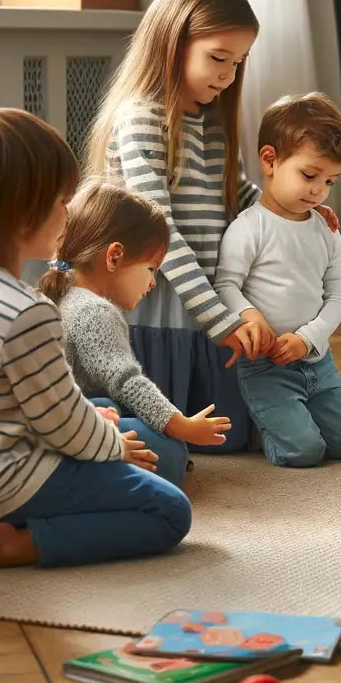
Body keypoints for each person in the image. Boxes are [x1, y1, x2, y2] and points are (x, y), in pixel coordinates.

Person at [0, 107, 191, 568]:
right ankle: (16, 544)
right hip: (4, 486)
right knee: (169, 510)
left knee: (105, 418)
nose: (68, 214)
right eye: (61, 203)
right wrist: (112, 444)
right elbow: (63, 426)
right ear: (23, 216)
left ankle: (1, 526)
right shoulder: (29, 312)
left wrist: (91, 419)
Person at [83, 0, 269, 454]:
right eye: (218, 58)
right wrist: (221, 322)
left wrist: (290, 210)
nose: (228, 76)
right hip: (162, 314)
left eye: (239, 62)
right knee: (167, 444)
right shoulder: (141, 119)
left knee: (237, 439)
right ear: (172, 41)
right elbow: (164, 240)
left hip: (201, 309)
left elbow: (236, 194)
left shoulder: (209, 120)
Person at [38, 178, 237, 489]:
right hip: (64, 431)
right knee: (170, 454)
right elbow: (128, 382)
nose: (153, 283)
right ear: (114, 257)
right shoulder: (93, 311)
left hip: (63, 420)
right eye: (151, 269)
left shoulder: (64, 295)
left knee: (109, 404)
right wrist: (181, 425)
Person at [214, 92, 341, 468]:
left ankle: (289, 417)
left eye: (330, 180)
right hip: (266, 364)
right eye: (310, 175)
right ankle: (265, 425)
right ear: (270, 160)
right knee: (304, 452)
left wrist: (309, 338)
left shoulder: (325, 229)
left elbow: (340, 294)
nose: (319, 190)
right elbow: (226, 285)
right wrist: (249, 315)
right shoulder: (249, 228)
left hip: (317, 360)